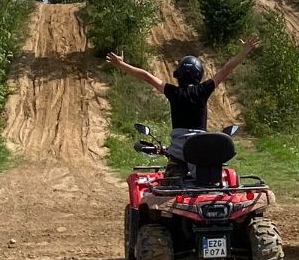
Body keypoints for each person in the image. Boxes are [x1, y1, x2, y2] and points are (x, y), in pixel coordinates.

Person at [106, 37, 259, 179]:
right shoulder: (203, 90)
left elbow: (146, 76)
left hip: (178, 151)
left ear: (179, 75)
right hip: (199, 147)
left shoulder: (173, 92)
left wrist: (121, 65)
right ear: (199, 75)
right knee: (206, 185)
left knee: (169, 188)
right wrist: (243, 51)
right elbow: (226, 70)